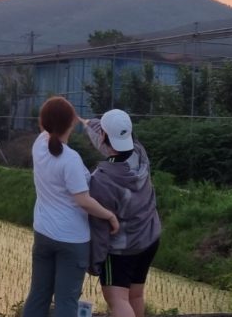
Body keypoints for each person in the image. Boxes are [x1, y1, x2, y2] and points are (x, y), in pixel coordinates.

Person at [22, 96, 118, 317]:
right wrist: (110, 216)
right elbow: (83, 201)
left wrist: (68, 118)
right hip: (72, 240)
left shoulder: (39, 145)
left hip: (43, 233)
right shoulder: (70, 159)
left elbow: (47, 126)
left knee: (38, 294)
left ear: (43, 123)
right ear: (72, 123)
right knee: (66, 301)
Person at [80, 110, 161, 317]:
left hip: (122, 249)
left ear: (104, 136)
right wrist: (87, 122)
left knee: (118, 301)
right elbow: (108, 140)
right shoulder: (139, 152)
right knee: (135, 296)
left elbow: (100, 228)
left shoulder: (102, 179)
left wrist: (94, 263)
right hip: (149, 238)